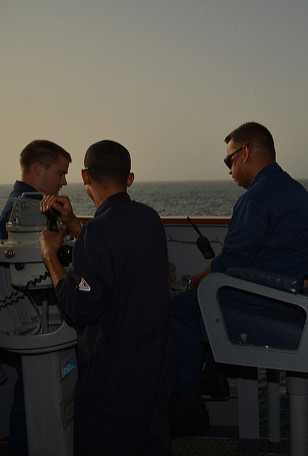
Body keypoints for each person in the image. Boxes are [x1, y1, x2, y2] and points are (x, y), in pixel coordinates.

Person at [169, 122, 308, 436]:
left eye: (229, 161)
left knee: (178, 310)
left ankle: (187, 405)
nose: (228, 170)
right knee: (206, 297)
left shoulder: (257, 198)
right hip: (293, 294)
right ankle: (212, 376)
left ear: (245, 153)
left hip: (271, 298)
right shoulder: (291, 189)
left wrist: (197, 281)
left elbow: (229, 264)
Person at [39, 140, 177, 455]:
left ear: (85, 176)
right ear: (129, 178)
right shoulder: (150, 219)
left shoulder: (97, 234)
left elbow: (80, 308)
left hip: (115, 377)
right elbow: (118, 257)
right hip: (157, 363)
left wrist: (51, 258)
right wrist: (75, 225)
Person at [0, 139, 71, 456]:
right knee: (32, 394)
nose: (64, 181)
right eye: (60, 172)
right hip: (28, 315)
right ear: (37, 168)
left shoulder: (31, 207)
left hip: (35, 310)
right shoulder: (23, 212)